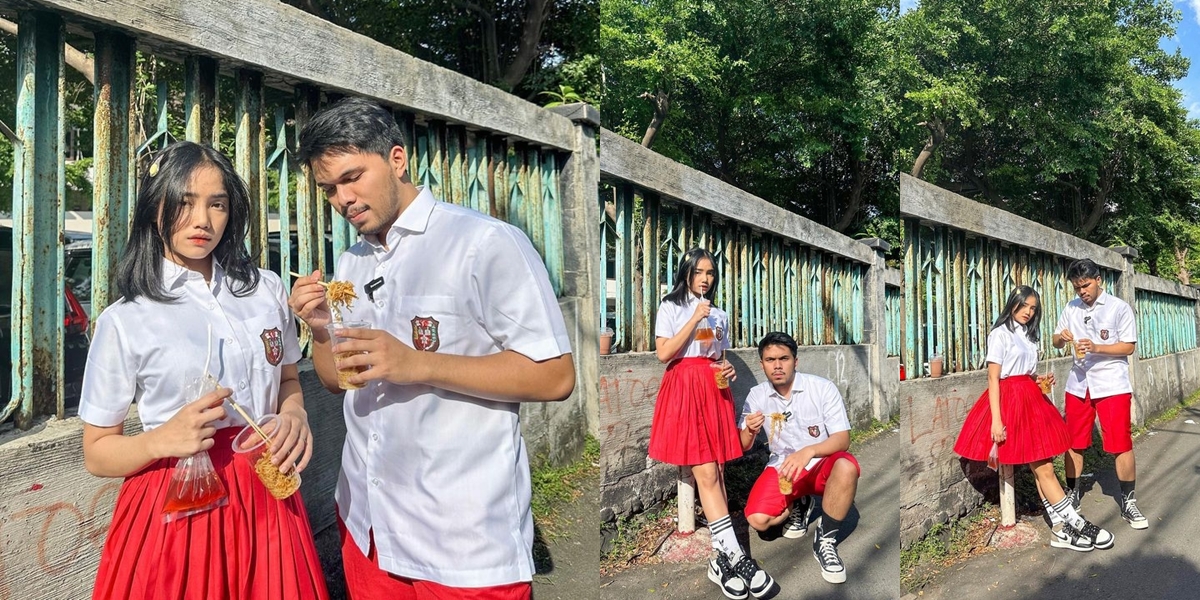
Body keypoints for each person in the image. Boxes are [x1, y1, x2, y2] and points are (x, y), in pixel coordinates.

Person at [288, 97, 575, 600]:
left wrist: (416, 363)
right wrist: (321, 331)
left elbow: (554, 375)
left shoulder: (485, 243)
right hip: (367, 524)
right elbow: (339, 382)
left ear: (397, 159)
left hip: (463, 540)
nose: (342, 199)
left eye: (353, 176)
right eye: (329, 188)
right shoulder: (352, 263)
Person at [79, 141, 328, 599]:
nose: (202, 221)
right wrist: (160, 439)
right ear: (156, 208)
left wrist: (295, 416)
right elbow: (97, 452)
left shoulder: (265, 290)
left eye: (217, 204)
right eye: (185, 202)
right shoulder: (125, 318)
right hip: (179, 501)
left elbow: (289, 378)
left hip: (267, 491)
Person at [646, 248, 773, 600]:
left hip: (713, 390)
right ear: (686, 273)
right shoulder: (671, 307)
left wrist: (727, 368)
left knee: (715, 471)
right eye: (699, 271)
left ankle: (721, 560)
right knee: (705, 472)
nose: (705, 279)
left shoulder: (720, 315)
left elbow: (717, 354)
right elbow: (663, 353)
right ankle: (735, 555)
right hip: (684, 389)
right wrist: (693, 318)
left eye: (711, 273)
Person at [954, 285, 1113, 551]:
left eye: (1033, 308)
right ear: (1012, 303)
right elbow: (994, 378)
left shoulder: (1028, 336)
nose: (1028, 312)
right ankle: (1077, 524)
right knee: (1044, 468)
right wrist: (996, 420)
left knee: (1043, 466)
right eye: (1024, 305)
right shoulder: (999, 334)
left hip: (1031, 401)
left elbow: (1025, 374)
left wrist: (1040, 381)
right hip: (1011, 405)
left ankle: (1062, 531)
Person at [739, 331, 860, 584]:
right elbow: (743, 445)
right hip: (783, 468)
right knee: (758, 521)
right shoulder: (756, 395)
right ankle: (799, 503)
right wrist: (749, 429)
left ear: (796, 360)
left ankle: (825, 539)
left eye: (784, 358)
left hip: (820, 465)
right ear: (762, 364)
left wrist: (809, 451)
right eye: (770, 360)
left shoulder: (821, 388)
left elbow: (842, 439)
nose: (777, 365)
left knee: (847, 466)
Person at [1052, 259, 1146, 529]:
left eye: (1086, 285)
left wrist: (1096, 346)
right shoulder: (1071, 308)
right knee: (1074, 442)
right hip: (1079, 383)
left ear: (1098, 279)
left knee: (1121, 443)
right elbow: (1056, 340)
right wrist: (1062, 337)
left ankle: (1128, 501)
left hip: (1111, 385)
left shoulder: (1119, 308)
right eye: (1077, 287)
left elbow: (1128, 347)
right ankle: (1072, 495)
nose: (1082, 291)